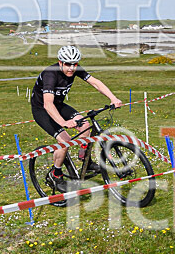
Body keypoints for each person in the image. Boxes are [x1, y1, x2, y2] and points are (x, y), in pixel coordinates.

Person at [31, 45, 123, 189]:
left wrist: (113, 98)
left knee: (85, 125)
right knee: (65, 141)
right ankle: (56, 174)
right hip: (42, 109)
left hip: (59, 105)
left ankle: (85, 159)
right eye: (67, 64)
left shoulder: (74, 69)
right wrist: (63, 122)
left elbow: (95, 83)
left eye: (75, 64)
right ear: (60, 62)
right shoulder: (51, 74)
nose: (71, 68)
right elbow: (48, 104)